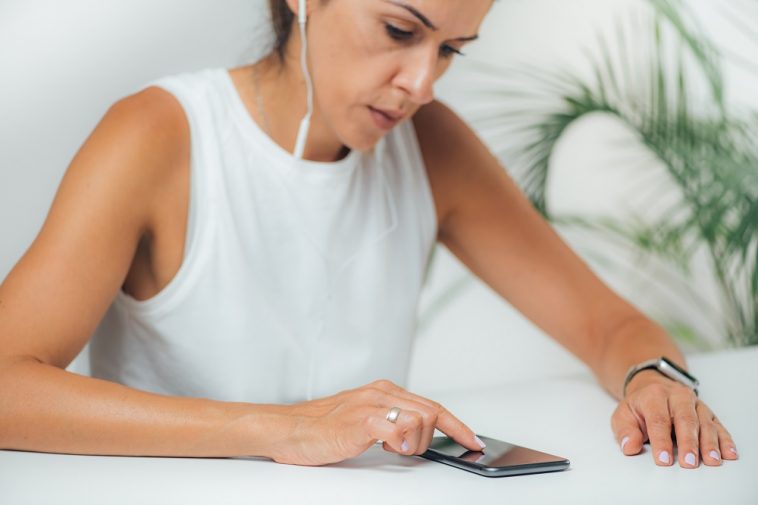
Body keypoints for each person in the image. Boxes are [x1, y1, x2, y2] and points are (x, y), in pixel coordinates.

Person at [0, 0, 738, 469]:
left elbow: (608, 323)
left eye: (451, 49)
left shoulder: (432, 146)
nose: (422, 82)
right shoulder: (160, 136)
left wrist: (654, 380)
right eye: (399, 30)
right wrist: (284, 429)